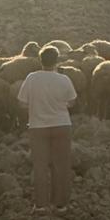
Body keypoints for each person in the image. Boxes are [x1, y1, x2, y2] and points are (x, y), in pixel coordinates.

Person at [17, 45, 77, 211]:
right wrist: (60, 105)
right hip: (62, 125)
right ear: (57, 60)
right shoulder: (64, 79)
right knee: (61, 164)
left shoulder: (32, 78)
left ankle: (41, 205)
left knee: (40, 165)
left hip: (38, 127)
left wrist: (35, 106)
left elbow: (22, 103)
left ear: (40, 60)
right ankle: (60, 204)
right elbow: (72, 101)